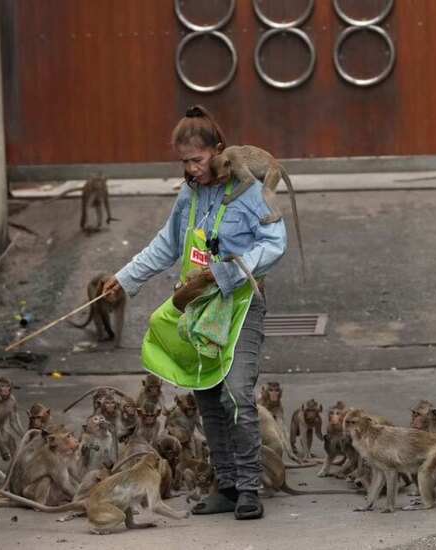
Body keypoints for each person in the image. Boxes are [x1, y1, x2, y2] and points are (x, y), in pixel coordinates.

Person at [101, 105, 286, 520]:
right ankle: (226, 485)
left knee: (236, 393)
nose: (190, 169)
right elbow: (166, 245)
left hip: (239, 305)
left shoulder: (249, 190)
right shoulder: (189, 194)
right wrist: (124, 277)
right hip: (196, 308)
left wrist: (229, 272)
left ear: (219, 152)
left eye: (196, 160)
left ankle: (250, 488)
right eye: (184, 161)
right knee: (206, 395)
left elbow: (275, 243)